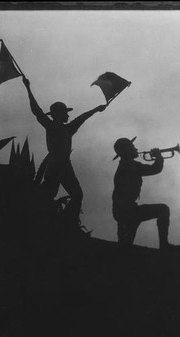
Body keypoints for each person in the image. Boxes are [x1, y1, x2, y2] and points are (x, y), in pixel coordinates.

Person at [22, 76, 106, 232]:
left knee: (75, 195)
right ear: (59, 114)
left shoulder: (67, 128)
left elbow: (82, 117)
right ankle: (51, 223)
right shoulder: (53, 126)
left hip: (63, 165)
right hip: (56, 165)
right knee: (52, 195)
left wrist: (96, 109)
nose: (68, 115)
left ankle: (67, 223)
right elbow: (36, 110)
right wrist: (28, 88)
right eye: (66, 113)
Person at [112, 137, 180, 251]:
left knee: (125, 245)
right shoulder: (130, 166)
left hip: (123, 210)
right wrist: (158, 156)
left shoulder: (126, 165)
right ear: (127, 151)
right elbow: (155, 169)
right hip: (127, 211)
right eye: (133, 147)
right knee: (163, 210)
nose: (136, 149)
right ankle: (164, 245)